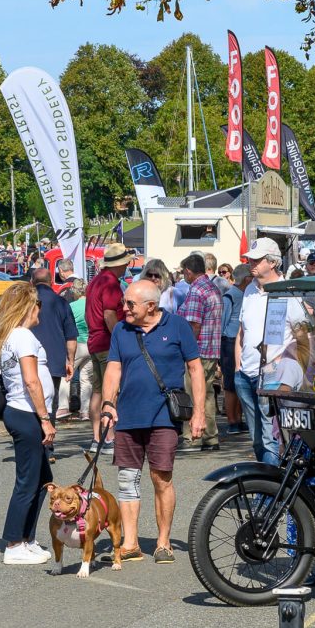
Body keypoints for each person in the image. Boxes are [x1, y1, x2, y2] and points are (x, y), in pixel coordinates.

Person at [101, 279, 205, 564]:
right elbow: (113, 368)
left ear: (151, 305)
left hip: (163, 416)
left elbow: (195, 369)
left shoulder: (178, 326)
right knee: (127, 479)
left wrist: (199, 412)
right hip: (128, 415)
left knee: (161, 478)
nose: (124, 309)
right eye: (124, 303)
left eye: (130, 304)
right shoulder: (122, 329)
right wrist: (108, 405)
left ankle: (163, 542)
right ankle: (131, 542)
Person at [0, 283, 54, 565]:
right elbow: (31, 380)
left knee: (42, 479)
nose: (41, 309)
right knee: (27, 481)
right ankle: (14, 543)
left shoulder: (12, 336)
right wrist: (45, 419)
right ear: (28, 307)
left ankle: (27, 537)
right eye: (38, 304)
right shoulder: (23, 336)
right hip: (27, 413)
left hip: (24, 412)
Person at [235, 239, 307, 466]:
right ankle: (266, 489)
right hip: (246, 374)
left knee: (270, 439)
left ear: (272, 262)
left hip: (273, 375)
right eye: (250, 259)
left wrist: (287, 370)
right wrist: (237, 367)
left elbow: (303, 337)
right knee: (257, 440)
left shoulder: (289, 292)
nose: (251, 263)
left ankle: (267, 496)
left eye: (257, 259)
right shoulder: (248, 289)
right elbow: (241, 332)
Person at [85, 242, 131, 454]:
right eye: (125, 263)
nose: (127, 266)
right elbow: (109, 314)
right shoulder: (111, 283)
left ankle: (97, 437)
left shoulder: (95, 281)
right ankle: (109, 438)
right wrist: (119, 338)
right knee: (110, 392)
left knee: (97, 390)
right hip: (106, 342)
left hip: (95, 340)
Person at [29, 267, 77, 463]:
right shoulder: (61, 302)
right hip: (53, 360)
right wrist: (70, 361)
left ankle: (33, 446)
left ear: (32, 282)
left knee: (29, 401)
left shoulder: (26, 300)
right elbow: (71, 336)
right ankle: (48, 448)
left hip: (28, 357)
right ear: (51, 282)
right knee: (50, 402)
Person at [177, 253, 222, 452]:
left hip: (199, 350)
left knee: (193, 393)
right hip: (212, 349)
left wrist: (187, 348)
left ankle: (192, 437)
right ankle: (210, 437)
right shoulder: (212, 287)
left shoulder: (196, 290)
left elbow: (193, 325)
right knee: (208, 394)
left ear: (188, 271)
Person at [221, 264, 251, 434]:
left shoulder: (244, 294)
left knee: (239, 381)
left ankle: (238, 419)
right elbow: (223, 323)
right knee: (230, 384)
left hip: (239, 342)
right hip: (229, 341)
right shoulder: (230, 296)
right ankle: (232, 421)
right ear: (246, 279)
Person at [66, 277, 90, 419]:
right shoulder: (91, 305)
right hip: (91, 344)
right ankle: (85, 411)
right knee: (86, 380)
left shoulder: (72, 306)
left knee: (66, 375)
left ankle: (62, 407)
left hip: (77, 344)